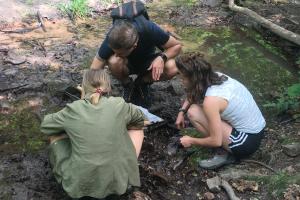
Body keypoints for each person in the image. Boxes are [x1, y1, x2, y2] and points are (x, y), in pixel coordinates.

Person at [41, 69, 150, 199]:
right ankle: (127, 168)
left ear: (84, 86)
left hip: (80, 188)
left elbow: (46, 126)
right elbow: (142, 120)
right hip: (119, 185)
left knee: (56, 134)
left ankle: (68, 176)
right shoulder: (119, 104)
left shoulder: (73, 109)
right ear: (108, 87)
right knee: (137, 129)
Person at [175, 53, 266, 170]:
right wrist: (181, 112)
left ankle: (225, 153)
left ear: (194, 78)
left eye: (182, 77)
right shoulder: (216, 76)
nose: (180, 80)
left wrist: (191, 140)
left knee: (194, 113)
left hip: (246, 142)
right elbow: (193, 92)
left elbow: (216, 141)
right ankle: (226, 144)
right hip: (258, 129)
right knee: (193, 109)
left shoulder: (211, 101)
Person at [90, 14, 182, 106]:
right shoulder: (113, 36)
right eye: (115, 51)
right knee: (113, 60)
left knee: (172, 66)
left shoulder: (149, 29)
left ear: (134, 46)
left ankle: (142, 82)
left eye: (120, 53)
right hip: (126, 65)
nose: (117, 54)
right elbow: (95, 67)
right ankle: (127, 84)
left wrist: (162, 57)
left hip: (148, 62)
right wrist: (91, 91)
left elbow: (177, 45)